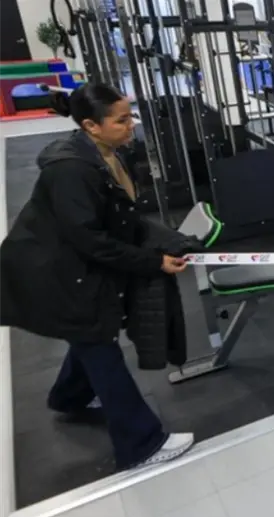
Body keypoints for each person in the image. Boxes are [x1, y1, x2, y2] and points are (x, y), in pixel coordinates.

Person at [0, 83, 195, 471]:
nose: (131, 125)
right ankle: (141, 444)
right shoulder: (72, 171)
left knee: (88, 335)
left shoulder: (106, 154)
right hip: (50, 273)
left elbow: (120, 218)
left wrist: (169, 242)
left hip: (67, 265)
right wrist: (152, 262)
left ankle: (68, 397)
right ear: (91, 125)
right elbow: (91, 240)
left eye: (129, 116)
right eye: (121, 120)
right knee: (98, 343)